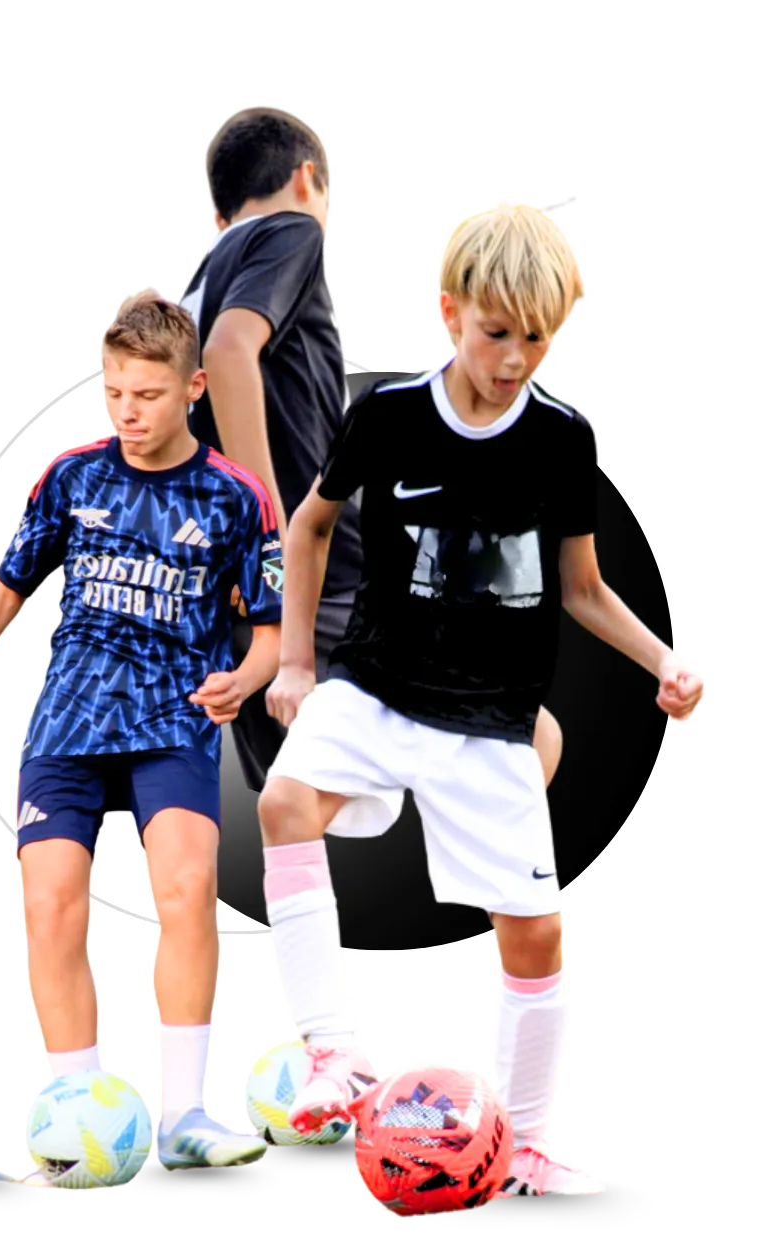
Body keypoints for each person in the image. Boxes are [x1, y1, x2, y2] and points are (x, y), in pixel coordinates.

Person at [255, 201, 706, 1201]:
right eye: (496, 332)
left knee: (536, 932)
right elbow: (309, 526)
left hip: (492, 714)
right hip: (375, 682)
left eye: (537, 338)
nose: (513, 358)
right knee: (282, 802)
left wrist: (661, 662)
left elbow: (582, 587)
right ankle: (335, 1049)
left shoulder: (561, 439)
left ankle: (529, 1143)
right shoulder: (388, 417)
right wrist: (294, 661)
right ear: (449, 311)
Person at [0, 292, 282, 1176]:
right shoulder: (71, 476)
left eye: (147, 395)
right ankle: (79, 1111)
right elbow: (7, 586)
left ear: (193, 388)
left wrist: (247, 677)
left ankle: (184, 1112)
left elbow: (272, 629)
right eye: (114, 393)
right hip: (71, 717)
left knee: (187, 888)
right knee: (50, 903)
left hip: (171, 719)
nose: (127, 413)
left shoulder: (237, 497)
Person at [179, 106, 566, 795]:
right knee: (526, 734)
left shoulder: (200, 282)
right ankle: (498, 850)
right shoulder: (291, 229)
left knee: (302, 798)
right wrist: (270, 541)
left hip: (233, 605)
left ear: (218, 216)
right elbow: (230, 350)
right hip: (322, 580)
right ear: (308, 180)